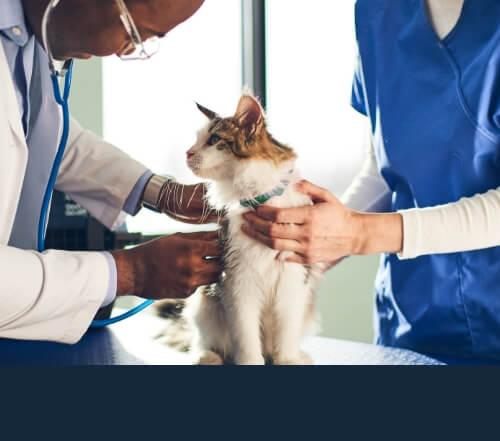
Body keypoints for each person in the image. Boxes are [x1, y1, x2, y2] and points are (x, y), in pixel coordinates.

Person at [243, 0, 500, 362]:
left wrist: (359, 233)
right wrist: (302, 241)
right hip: (411, 319)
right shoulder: (378, 11)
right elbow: (384, 167)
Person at [0, 0, 221, 344]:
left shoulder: (23, 43)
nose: (124, 51)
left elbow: (51, 139)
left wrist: (161, 192)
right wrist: (129, 272)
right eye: (135, 34)